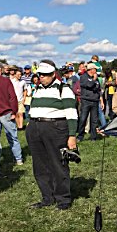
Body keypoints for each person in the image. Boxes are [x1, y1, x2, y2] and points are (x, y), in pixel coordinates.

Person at [26, 59, 78, 210]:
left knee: (58, 163)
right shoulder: (38, 89)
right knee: (39, 165)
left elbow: (72, 113)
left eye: (45, 74)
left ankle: (63, 199)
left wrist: (72, 135)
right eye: (40, 74)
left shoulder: (64, 89)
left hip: (55, 128)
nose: (41, 77)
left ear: (53, 74)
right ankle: (47, 197)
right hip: (35, 127)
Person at [0, 61, 22, 166]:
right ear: (0, 69)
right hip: (6, 113)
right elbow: (12, 97)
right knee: (13, 137)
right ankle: (18, 159)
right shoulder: (6, 81)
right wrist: (14, 111)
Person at [77, 63, 102, 141]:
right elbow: (89, 85)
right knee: (83, 119)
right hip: (86, 101)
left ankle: (93, 137)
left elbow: (98, 88)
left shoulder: (96, 78)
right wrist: (94, 80)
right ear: (91, 69)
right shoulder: (83, 77)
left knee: (94, 120)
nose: (96, 71)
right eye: (95, 69)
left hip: (95, 101)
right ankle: (80, 136)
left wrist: (100, 99)